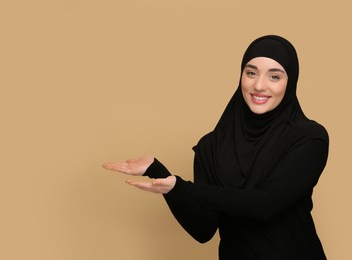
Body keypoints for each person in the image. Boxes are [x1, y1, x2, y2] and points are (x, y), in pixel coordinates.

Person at [102, 35, 329, 260]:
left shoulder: (309, 139)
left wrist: (183, 187)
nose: (259, 85)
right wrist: (161, 174)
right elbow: (203, 230)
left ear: (290, 82)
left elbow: (264, 204)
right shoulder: (210, 146)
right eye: (251, 73)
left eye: (274, 76)